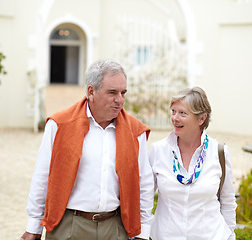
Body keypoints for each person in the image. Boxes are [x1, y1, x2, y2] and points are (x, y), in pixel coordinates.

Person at [21, 59, 154, 240]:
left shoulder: (135, 131)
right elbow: (42, 176)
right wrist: (34, 226)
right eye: (112, 92)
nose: (120, 100)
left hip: (116, 228)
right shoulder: (59, 125)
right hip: (68, 226)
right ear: (91, 91)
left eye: (123, 93)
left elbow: (144, 184)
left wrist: (142, 233)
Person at [148, 87, 237, 240]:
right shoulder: (158, 151)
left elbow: (228, 201)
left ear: (201, 118)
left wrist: (229, 234)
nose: (175, 118)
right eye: (173, 111)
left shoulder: (219, 152)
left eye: (182, 113)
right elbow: (144, 198)